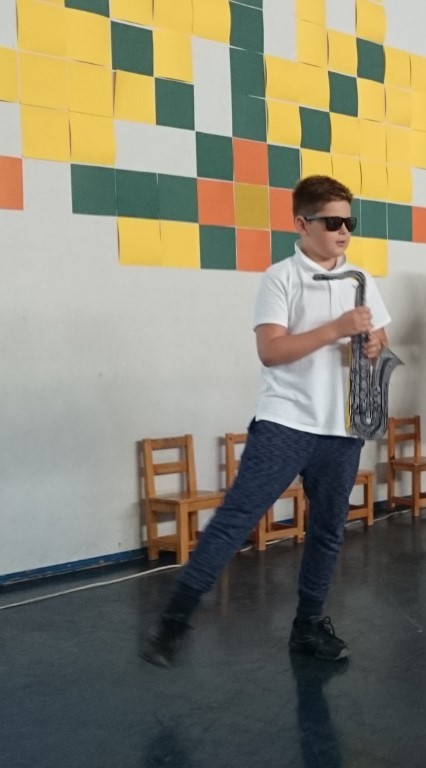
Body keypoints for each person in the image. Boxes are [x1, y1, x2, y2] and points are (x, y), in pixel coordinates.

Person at [139, 175, 391, 666]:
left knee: (328, 530)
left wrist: (374, 345)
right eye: (332, 223)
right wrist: (336, 329)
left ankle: (308, 625)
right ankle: (173, 621)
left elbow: (380, 340)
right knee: (237, 519)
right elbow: (271, 351)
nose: (344, 231)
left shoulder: (361, 279)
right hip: (286, 422)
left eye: (350, 222)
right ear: (302, 224)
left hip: (342, 427)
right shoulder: (281, 278)